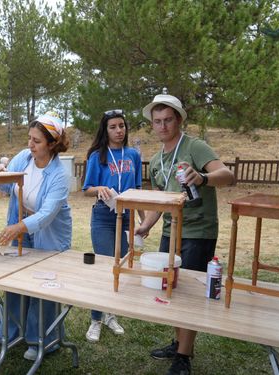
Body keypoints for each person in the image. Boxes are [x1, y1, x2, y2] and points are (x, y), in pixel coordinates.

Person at [135, 94, 234, 375]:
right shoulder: (156, 160)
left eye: (168, 120)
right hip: (171, 230)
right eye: (157, 121)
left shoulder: (195, 146)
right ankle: (178, 342)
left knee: (189, 292)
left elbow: (228, 175)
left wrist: (203, 178)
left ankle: (183, 357)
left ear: (178, 120)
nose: (163, 126)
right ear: (152, 125)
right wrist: (147, 226)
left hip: (198, 230)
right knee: (173, 288)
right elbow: (160, 201)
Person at [0, 112, 72, 361]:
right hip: (22, 227)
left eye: (36, 141)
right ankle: (9, 333)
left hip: (49, 234)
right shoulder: (24, 158)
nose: (30, 145)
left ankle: (42, 340)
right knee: (13, 280)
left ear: (52, 144)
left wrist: (18, 227)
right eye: (29, 138)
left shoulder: (58, 175)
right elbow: (6, 185)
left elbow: (46, 215)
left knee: (43, 286)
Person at [82, 109, 144, 343]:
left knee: (120, 266)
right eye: (113, 127)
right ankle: (96, 319)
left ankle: (111, 314)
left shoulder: (133, 155)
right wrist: (99, 189)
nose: (119, 131)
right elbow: (87, 189)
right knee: (104, 267)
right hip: (103, 217)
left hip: (127, 217)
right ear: (105, 131)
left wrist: (142, 221)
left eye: (122, 126)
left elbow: (137, 190)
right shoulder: (97, 155)